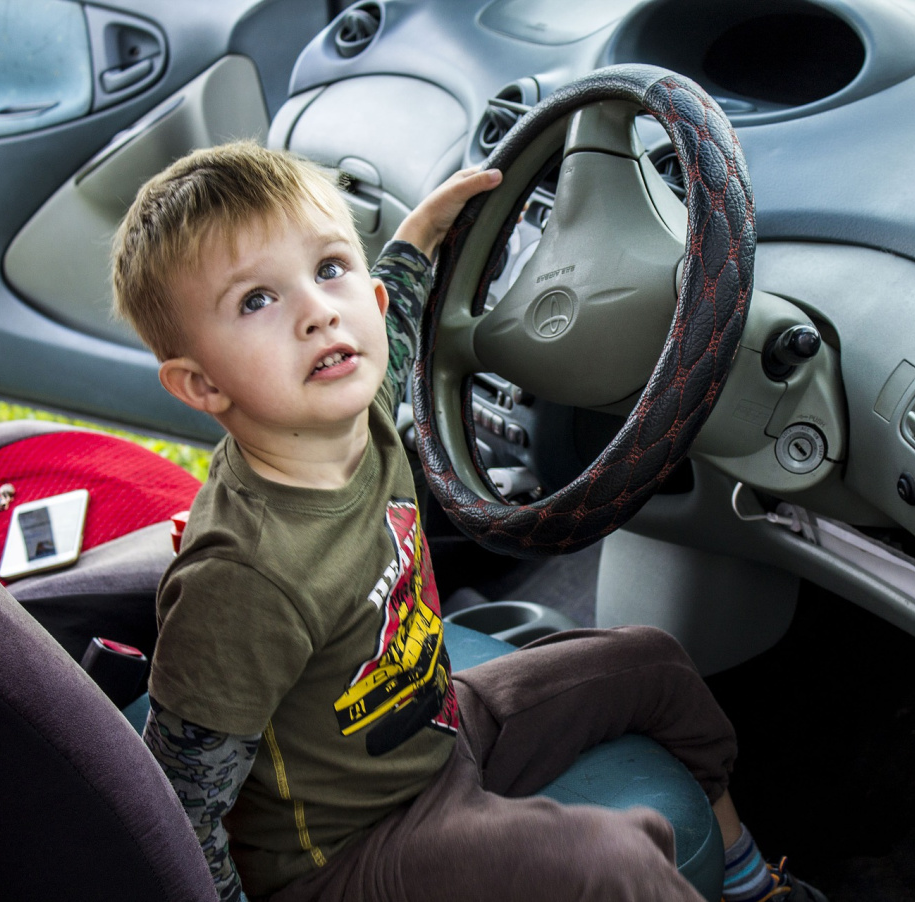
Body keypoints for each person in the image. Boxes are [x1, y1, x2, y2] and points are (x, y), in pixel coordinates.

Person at [111, 141, 824, 902]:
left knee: (654, 666)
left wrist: (419, 236)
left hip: (441, 729)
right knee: (606, 862)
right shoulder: (243, 577)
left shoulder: (362, 408)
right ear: (201, 384)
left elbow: (397, 301)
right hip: (346, 854)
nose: (318, 313)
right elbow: (181, 805)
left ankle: (748, 884)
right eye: (257, 300)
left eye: (327, 270)